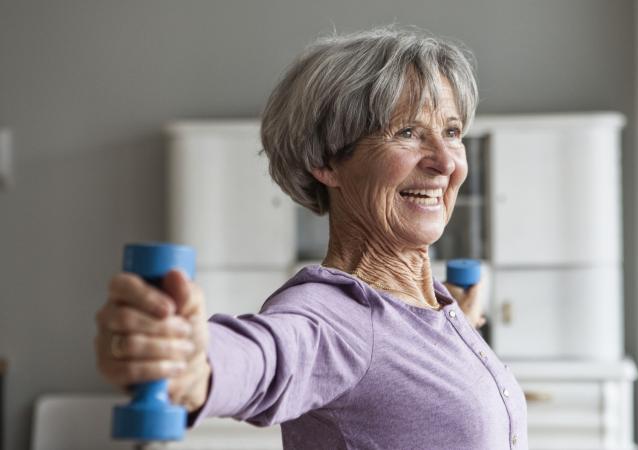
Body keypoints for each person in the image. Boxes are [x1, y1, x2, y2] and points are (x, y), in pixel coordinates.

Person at [95, 25, 527, 449]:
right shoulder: (330, 321)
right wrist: (191, 363)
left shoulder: (419, 303)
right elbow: (266, 358)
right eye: (408, 133)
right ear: (328, 161)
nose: (444, 161)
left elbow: (397, 366)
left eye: (452, 132)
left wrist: (451, 322)